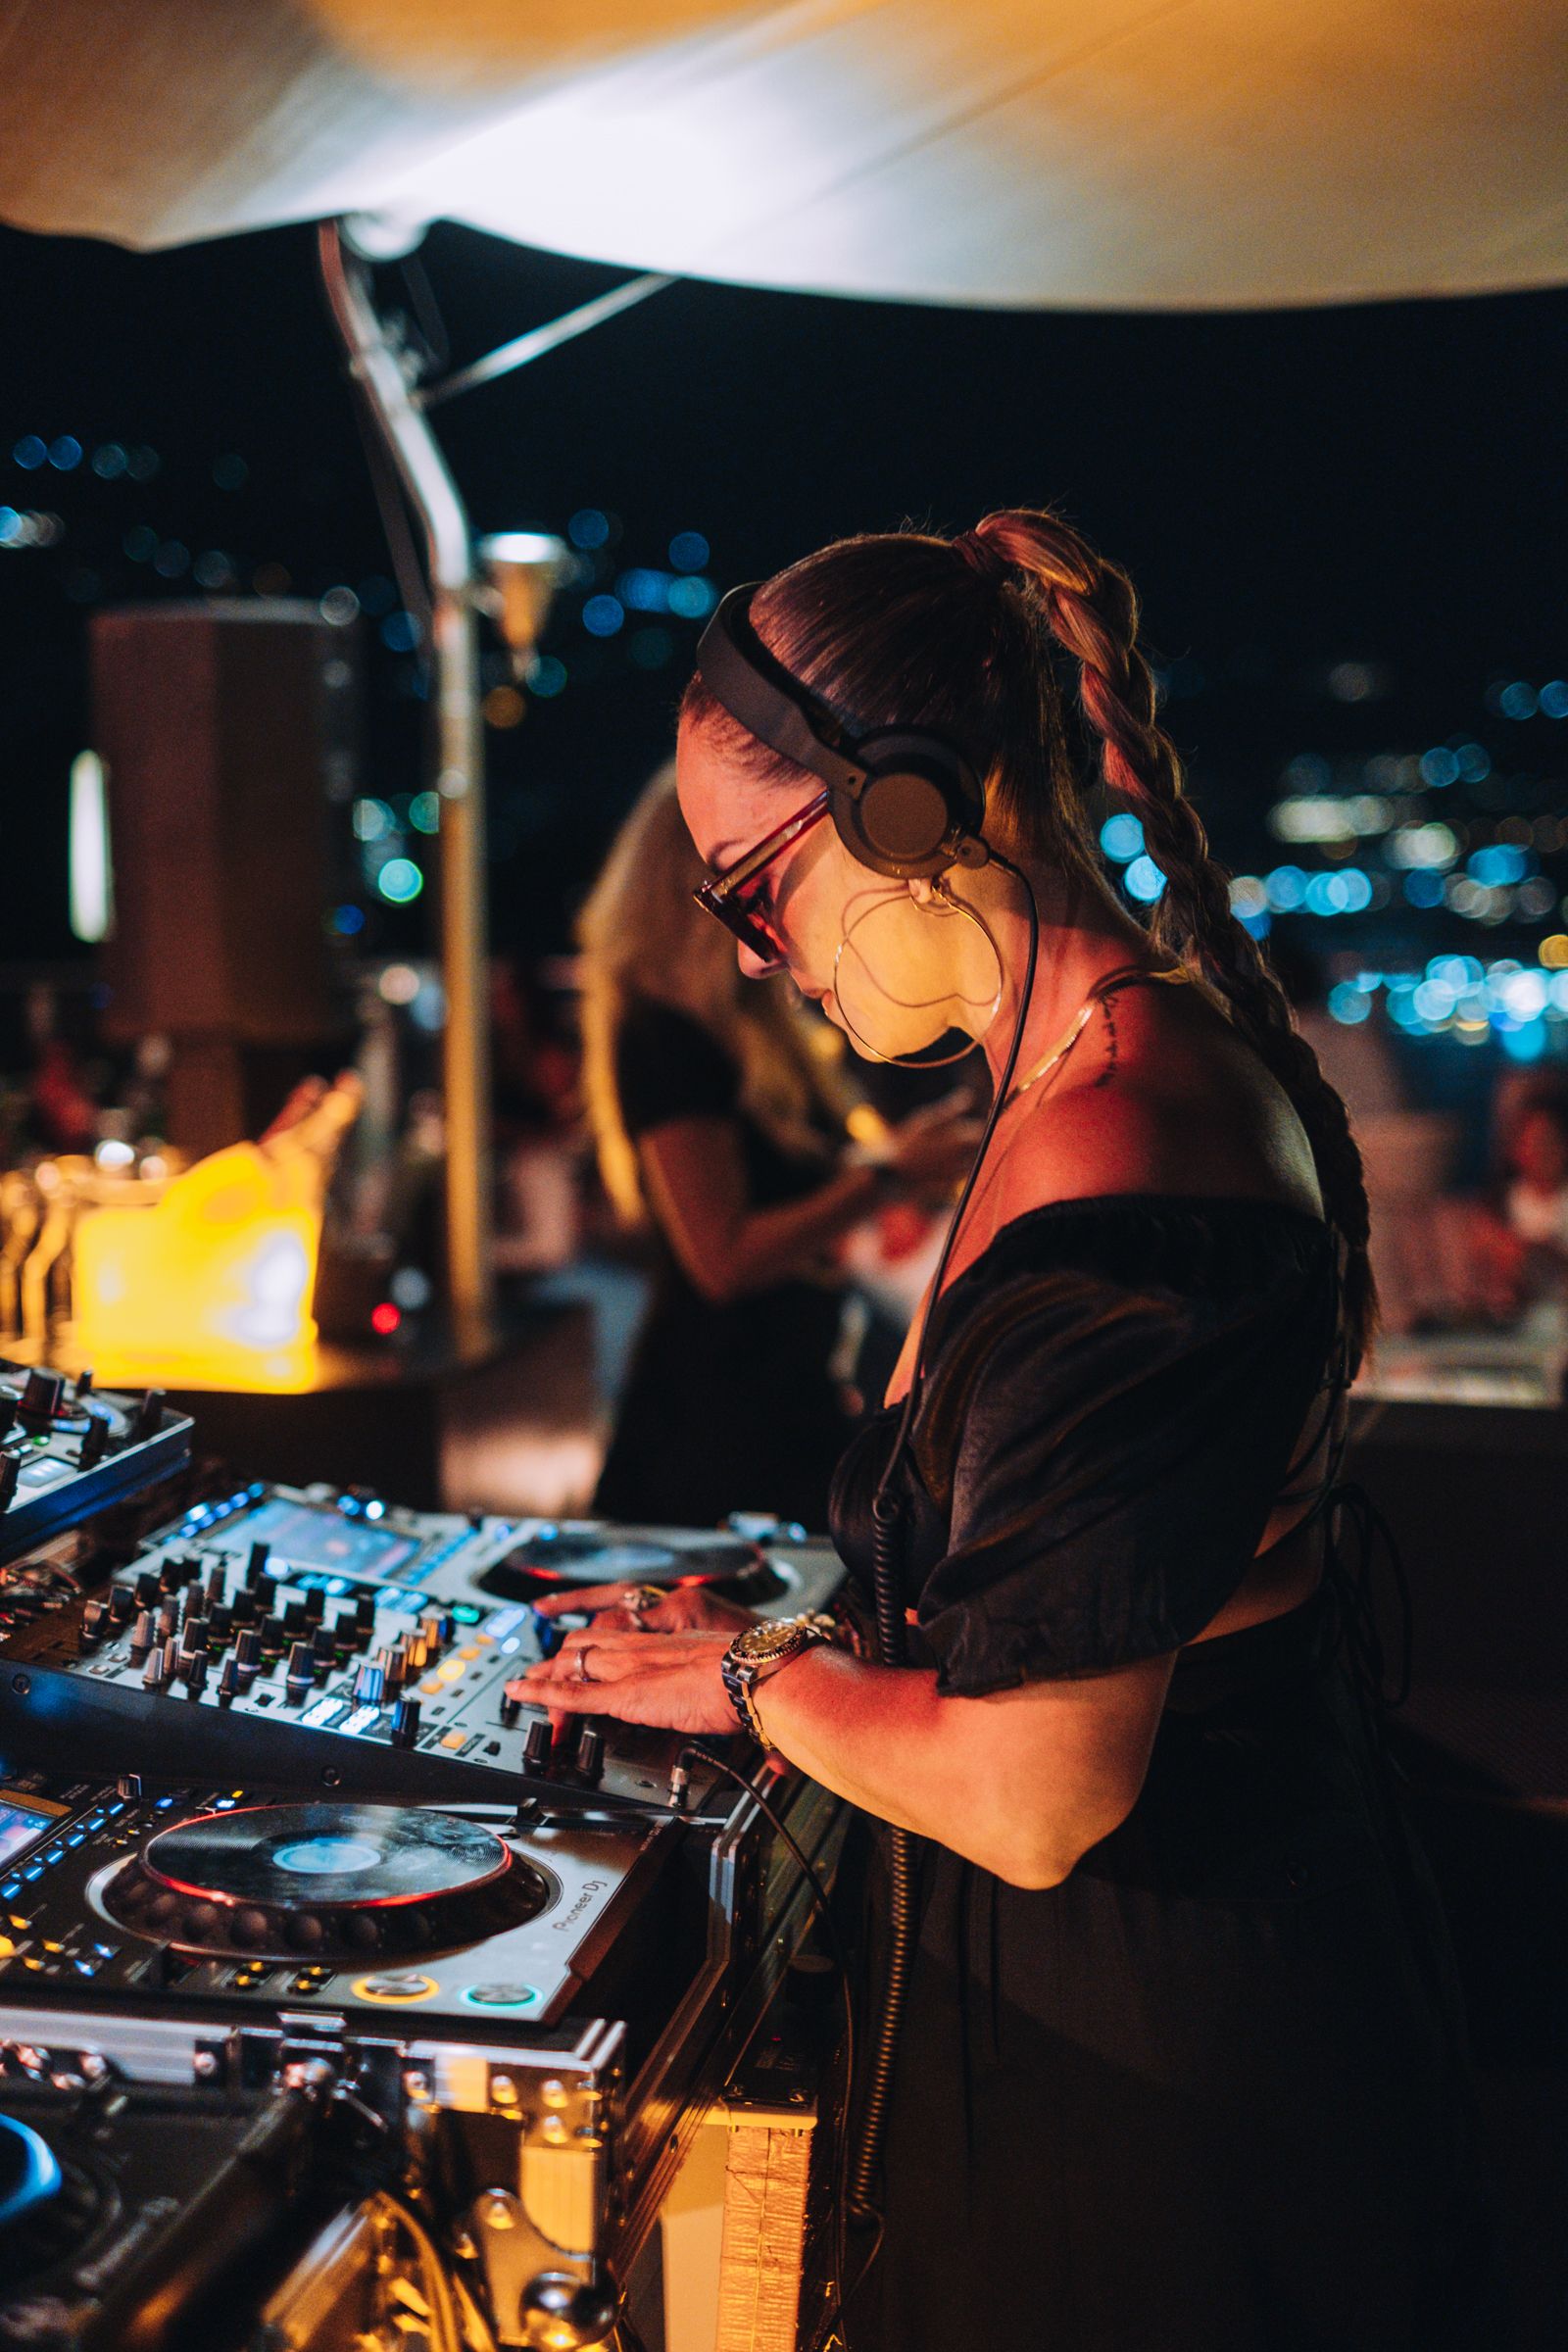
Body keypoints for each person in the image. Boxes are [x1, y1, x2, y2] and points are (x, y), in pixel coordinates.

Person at [513, 514, 1492, 2348]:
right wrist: (782, 1654)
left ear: (905, 812)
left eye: (749, 887)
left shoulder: (1121, 1155)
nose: (744, 955)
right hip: (1143, 2032)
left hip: (1158, 2098)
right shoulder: (1075, 1091)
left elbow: (1039, 1795)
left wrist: (756, 1679)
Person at [578, 764, 978, 1528]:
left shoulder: (756, 1029)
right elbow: (721, 1258)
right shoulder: (665, 1035)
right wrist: (885, 1178)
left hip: (787, 1393)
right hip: (715, 1426)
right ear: (686, 883)